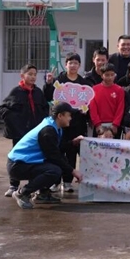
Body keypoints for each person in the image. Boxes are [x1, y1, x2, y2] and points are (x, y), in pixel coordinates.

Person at [7, 102, 83, 210]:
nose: (70, 118)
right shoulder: (48, 131)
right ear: (60, 116)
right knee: (54, 170)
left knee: (57, 165)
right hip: (17, 165)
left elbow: (56, 149)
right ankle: (22, 193)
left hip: (25, 163)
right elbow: (54, 156)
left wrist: (72, 143)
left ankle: (42, 194)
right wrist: (73, 171)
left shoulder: (54, 126)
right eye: (69, 115)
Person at [0, 63, 49, 198]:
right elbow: (3, 109)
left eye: (35, 74)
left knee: (36, 158)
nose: (33, 77)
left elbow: (45, 109)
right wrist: (14, 123)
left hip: (35, 134)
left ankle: (35, 186)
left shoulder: (38, 92)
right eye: (29, 74)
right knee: (18, 158)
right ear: (22, 75)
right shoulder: (16, 92)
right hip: (20, 134)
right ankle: (13, 185)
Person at [43, 53, 90, 193]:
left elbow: (88, 102)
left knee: (71, 153)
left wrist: (86, 110)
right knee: (57, 152)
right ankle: (55, 181)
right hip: (59, 124)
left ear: (79, 65)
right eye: (70, 63)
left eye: (76, 63)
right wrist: (48, 83)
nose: (73, 65)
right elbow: (48, 96)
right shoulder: (59, 81)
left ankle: (68, 182)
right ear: (66, 64)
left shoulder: (84, 82)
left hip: (76, 124)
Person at [89, 64, 126, 137]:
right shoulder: (94, 89)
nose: (110, 77)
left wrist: (115, 124)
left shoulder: (119, 90)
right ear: (101, 75)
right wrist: (97, 124)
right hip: (99, 125)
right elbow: (93, 108)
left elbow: (120, 108)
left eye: (112, 75)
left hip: (113, 125)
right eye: (107, 75)